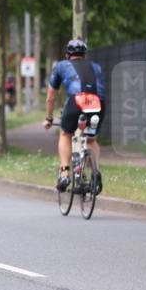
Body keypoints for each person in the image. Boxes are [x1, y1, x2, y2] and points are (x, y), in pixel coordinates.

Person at [44, 39, 104, 194]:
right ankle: (96, 175)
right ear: (85, 55)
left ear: (67, 55)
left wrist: (49, 118)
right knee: (91, 139)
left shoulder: (61, 66)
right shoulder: (96, 67)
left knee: (65, 134)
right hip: (98, 103)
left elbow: (51, 97)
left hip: (76, 101)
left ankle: (64, 174)